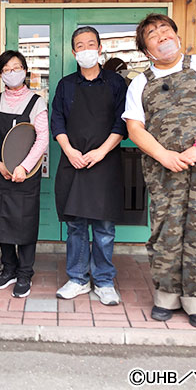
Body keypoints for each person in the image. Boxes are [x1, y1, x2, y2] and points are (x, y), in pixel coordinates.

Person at [122, 13, 196, 328]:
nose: (162, 36)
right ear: (146, 50)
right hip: (163, 170)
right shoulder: (140, 83)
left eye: (165, 30)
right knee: (165, 233)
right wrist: (165, 155)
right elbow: (135, 128)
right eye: (153, 35)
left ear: (177, 35)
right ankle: (166, 296)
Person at [51, 26, 127, 306]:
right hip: (74, 162)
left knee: (105, 228)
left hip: (105, 163)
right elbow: (56, 121)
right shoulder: (66, 85)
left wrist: (101, 151)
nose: (85, 49)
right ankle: (78, 279)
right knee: (76, 227)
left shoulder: (117, 83)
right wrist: (69, 150)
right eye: (80, 46)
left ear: (99, 48)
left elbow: (123, 122)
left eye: (90, 44)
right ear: (73, 52)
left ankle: (105, 281)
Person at [0, 50, 49, 298]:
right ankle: (8, 268)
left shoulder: (36, 101)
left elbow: (42, 139)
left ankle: (25, 273)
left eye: (16, 67)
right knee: (1, 221)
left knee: (25, 222)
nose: (12, 72)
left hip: (26, 175)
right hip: (0, 172)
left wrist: (24, 167)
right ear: (0, 74)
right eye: (6, 69)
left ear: (25, 70)